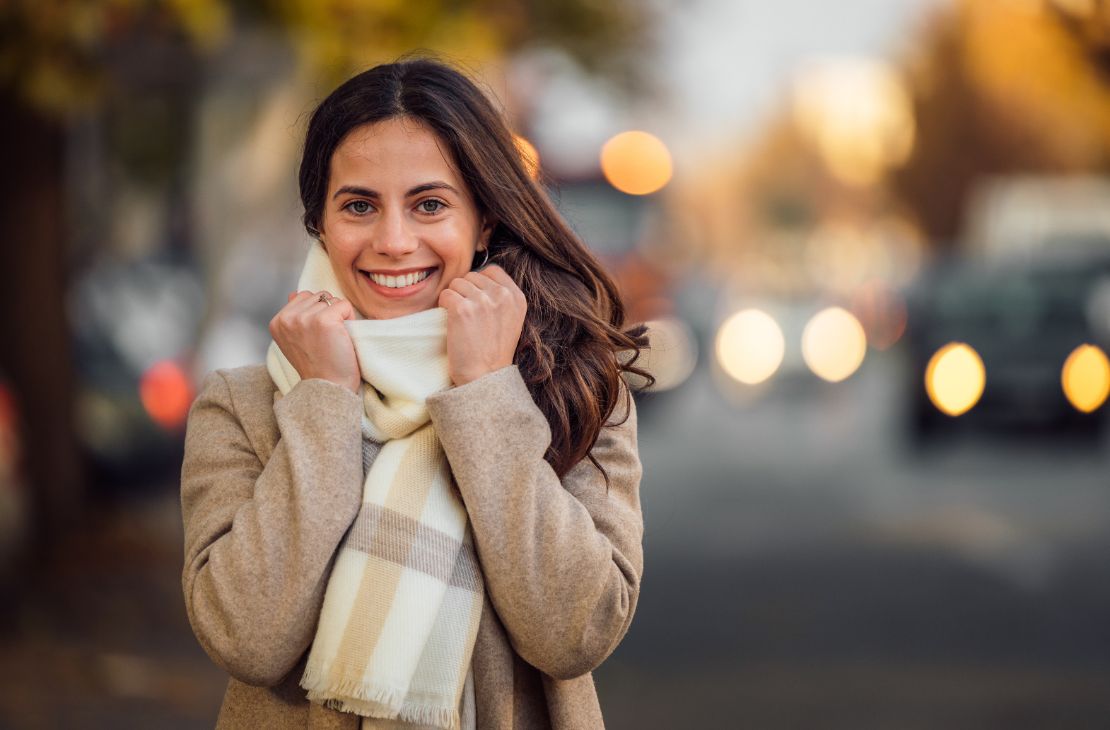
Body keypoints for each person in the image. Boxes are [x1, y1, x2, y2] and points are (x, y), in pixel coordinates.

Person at [180, 56, 651, 730]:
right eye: (359, 206)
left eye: (429, 204)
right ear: (319, 223)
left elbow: (572, 632)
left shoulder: (576, 389)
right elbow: (246, 639)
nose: (394, 241)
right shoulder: (244, 407)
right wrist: (324, 406)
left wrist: (488, 392)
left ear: (484, 221)